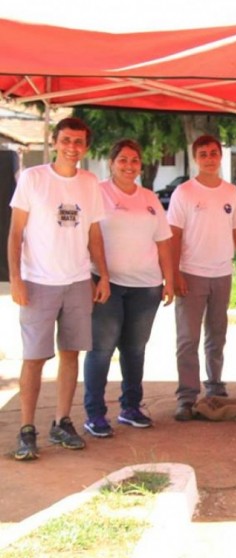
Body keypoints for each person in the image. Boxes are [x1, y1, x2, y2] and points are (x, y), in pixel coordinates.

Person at [7, 116, 110, 461]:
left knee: (71, 354)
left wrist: (103, 275)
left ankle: (62, 421)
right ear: (55, 141)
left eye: (79, 141)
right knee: (34, 357)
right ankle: (26, 429)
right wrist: (16, 279)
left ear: (86, 146)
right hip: (37, 282)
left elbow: (95, 234)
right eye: (66, 140)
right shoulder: (33, 179)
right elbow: (15, 234)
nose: (72, 147)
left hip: (78, 280)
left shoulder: (90, 182)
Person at [82, 139, 174, 437]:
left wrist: (169, 279)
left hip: (147, 287)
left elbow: (163, 242)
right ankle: (95, 415)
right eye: (122, 159)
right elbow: (86, 237)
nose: (129, 165)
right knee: (101, 350)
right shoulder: (97, 193)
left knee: (134, 350)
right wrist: (91, 277)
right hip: (106, 284)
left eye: (134, 160)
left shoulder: (149, 198)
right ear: (111, 163)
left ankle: (130, 408)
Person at [167, 134, 236, 421]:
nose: (209, 158)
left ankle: (214, 388)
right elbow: (173, 236)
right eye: (203, 154)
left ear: (220, 156)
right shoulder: (184, 193)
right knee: (187, 339)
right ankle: (187, 397)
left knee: (217, 335)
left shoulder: (231, 192)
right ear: (196, 158)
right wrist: (175, 273)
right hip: (191, 274)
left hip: (222, 273)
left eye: (213, 153)